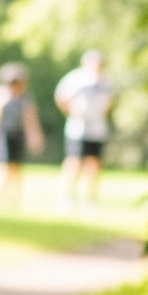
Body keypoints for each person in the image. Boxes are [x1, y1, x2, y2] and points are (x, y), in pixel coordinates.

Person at [0, 62, 43, 209]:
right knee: (1, 167)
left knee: (15, 167)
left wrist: (35, 136)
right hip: (1, 135)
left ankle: (12, 199)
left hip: (17, 135)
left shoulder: (25, 99)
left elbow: (30, 119)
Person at [54, 48, 117, 202]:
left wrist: (105, 109)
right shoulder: (75, 78)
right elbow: (61, 96)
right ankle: (67, 194)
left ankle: (89, 196)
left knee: (94, 162)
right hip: (78, 127)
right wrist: (71, 112)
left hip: (97, 128)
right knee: (74, 160)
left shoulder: (107, 81)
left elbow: (112, 99)